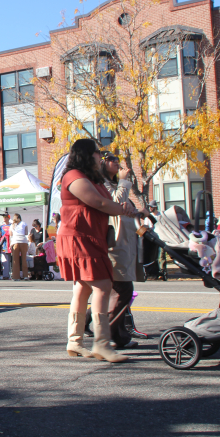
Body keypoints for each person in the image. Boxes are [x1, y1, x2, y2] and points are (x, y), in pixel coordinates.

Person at [58, 139, 136, 363]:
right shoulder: (73, 176)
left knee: (82, 288)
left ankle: (75, 341)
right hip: (79, 238)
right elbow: (99, 203)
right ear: (85, 154)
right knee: (103, 285)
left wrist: (123, 206)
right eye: (97, 153)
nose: (100, 157)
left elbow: (108, 201)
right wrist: (122, 209)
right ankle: (101, 343)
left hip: (92, 237)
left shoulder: (94, 178)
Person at [100, 153, 147, 350]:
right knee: (122, 290)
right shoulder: (103, 184)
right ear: (103, 162)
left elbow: (125, 208)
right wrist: (124, 181)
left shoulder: (116, 184)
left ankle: (117, 336)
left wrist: (140, 212)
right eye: (111, 158)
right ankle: (107, 336)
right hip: (115, 244)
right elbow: (114, 202)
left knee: (118, 292)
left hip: (126, 242)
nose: (117, 162)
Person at [10, 214, 29, 281]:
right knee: (24, 259)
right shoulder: (24, 223)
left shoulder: (12, 225)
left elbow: (11, 235)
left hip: (15, 242)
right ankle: (25, 276)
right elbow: (26, 233)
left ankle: (16, 277)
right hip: (23, 241)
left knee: (15, 260)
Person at [0, 214, 12, 280]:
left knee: (12, 261)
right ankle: (6, 275)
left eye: (6, 217)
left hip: (11, 245)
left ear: (9, 218)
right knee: (5, 261)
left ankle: (12, 274)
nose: (4, 218)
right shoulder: (1, 227)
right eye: (3, 217)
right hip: (4, 246)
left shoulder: (11, 226)